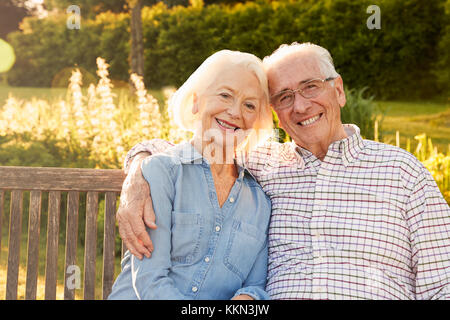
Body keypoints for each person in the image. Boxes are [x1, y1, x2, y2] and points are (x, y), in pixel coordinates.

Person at [117, 42, 450, 300]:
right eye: (285, 97)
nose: (300, 106)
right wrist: (136, 175)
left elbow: (443, 283)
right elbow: (192, 149)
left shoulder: (402, 172)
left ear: (338, 90)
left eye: (310, 87)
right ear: (274, 112)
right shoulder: (264, 164)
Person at [108, 50, 274, 300]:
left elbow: (256, 286)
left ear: (257, 120)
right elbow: (150, 283)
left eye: (250, 105)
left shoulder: (260, 201)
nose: (235, 112)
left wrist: (248, 299)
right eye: (225, 95)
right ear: (196, 102)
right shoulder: (162, 172)